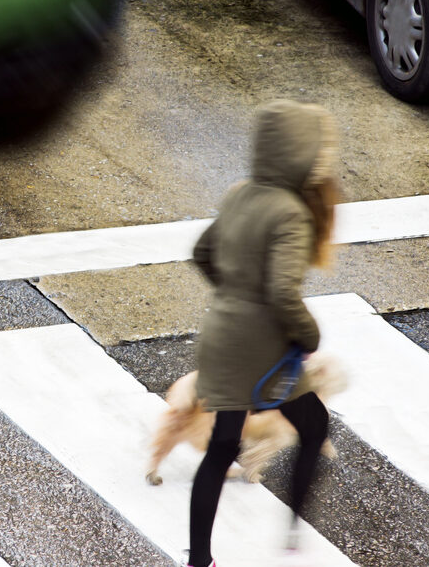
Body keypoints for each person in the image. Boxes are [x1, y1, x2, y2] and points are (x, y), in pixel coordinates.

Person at [186, 99, 339, 567]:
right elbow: (282, 294)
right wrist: (309, 337)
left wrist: (232, 296)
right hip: (263, 346)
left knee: (221, 448)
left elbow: (202, 252)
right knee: (314, 427)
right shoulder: (292, 211)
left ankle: (199, 560)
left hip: (220, 333)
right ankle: (293, 526)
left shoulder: (239, 194)